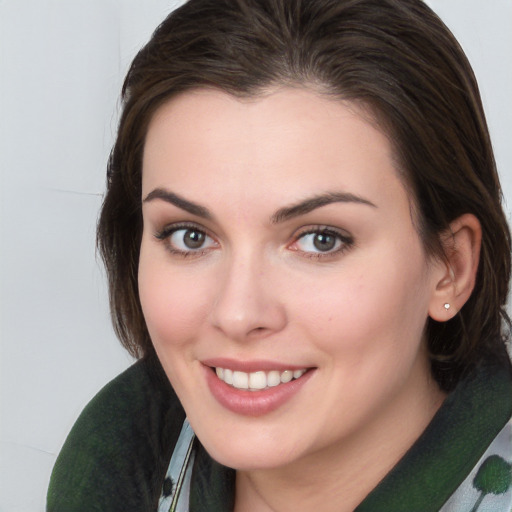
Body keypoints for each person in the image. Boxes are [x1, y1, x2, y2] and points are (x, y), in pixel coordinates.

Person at [47, 0, 512, 510]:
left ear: (451, 267)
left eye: (320, 240)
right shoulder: (114, 462)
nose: (238, 314)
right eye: (190, 236)